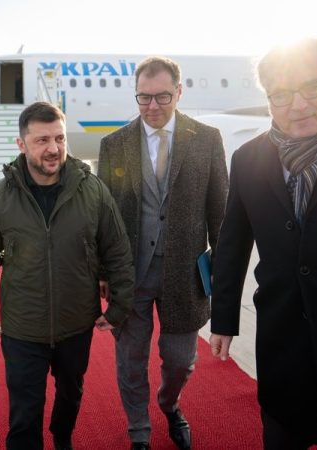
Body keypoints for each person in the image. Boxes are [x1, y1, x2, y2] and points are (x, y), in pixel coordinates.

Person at [0, 101, 134, 450]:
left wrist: (118, 306)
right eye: (42, 140)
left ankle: (62, 436)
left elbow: (117, 251)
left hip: (76, 323)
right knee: (24, 414)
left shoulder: (93, 191)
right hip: (23, 328)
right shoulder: (0, 198)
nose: (54, 148)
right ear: (21, 144)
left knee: (71, 394)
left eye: (59, 138)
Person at [210, 36, 317, 449]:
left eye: (312, 87)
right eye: (281, 94)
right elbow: (232, 243)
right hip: (282, 331)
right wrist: (223, 318)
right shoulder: (248, 159)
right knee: (284, 429)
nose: (298, 105)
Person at [98, 56, 229, 450]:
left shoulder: (206, 139)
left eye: (162, 96)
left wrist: (222, 269)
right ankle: (139, 429)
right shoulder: (114, 144)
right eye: (144, 97)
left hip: (185, 275)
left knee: (180, 361)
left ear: (179, 92)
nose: (152, 106)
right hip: (130, 275)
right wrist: (102, 272)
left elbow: (219, 211)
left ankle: (169, 404)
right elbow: (104, 217)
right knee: (130, 361)